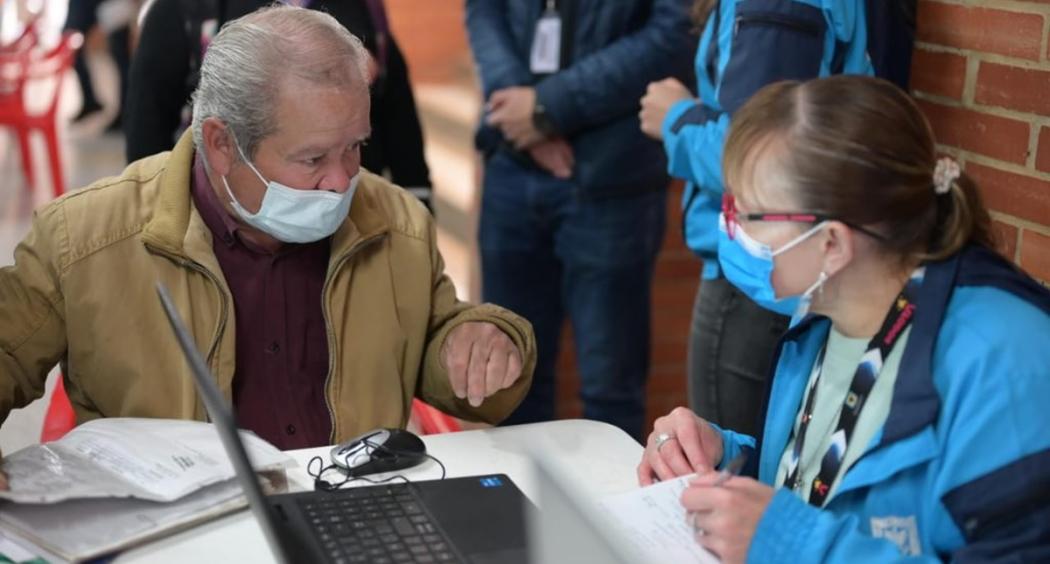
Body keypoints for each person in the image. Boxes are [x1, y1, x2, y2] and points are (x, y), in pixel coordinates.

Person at [0, 6, 536, 486]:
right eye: (312, 159)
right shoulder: (85, 238)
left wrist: (481, 342)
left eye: (355, 147)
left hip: (348, 513)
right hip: (176, 534)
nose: (341, 180)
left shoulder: (395, 223)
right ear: (221, 144)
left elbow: (441, 337)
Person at [638, 76, 1050, 562]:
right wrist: (725, 459)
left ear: (831, 244)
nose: (730, 229)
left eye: (747, 214)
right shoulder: (826, 313)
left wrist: (790, 543)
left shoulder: (1007, 365)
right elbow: (824, 481)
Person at [639, 0, 917, 438]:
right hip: (800, 265)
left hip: (766, 276)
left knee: (733, 466)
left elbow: (763, 162)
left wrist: (677, 119)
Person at [465, 0, 694, 441]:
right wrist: (519, 113)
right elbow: (483, 10)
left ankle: (604, 509)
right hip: (511, 163)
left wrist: (549, 107)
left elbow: (674, 31)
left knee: (610, 388)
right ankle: (516, 507)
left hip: (612, 173)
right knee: (509, 379)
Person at [124, 0, 434, 210]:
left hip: (349, 217)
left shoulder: (365, 10)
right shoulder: (186, 11)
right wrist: (152, 207)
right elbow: (147, 117)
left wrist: (418, 197)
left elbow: (397, 112)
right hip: (218, 216)